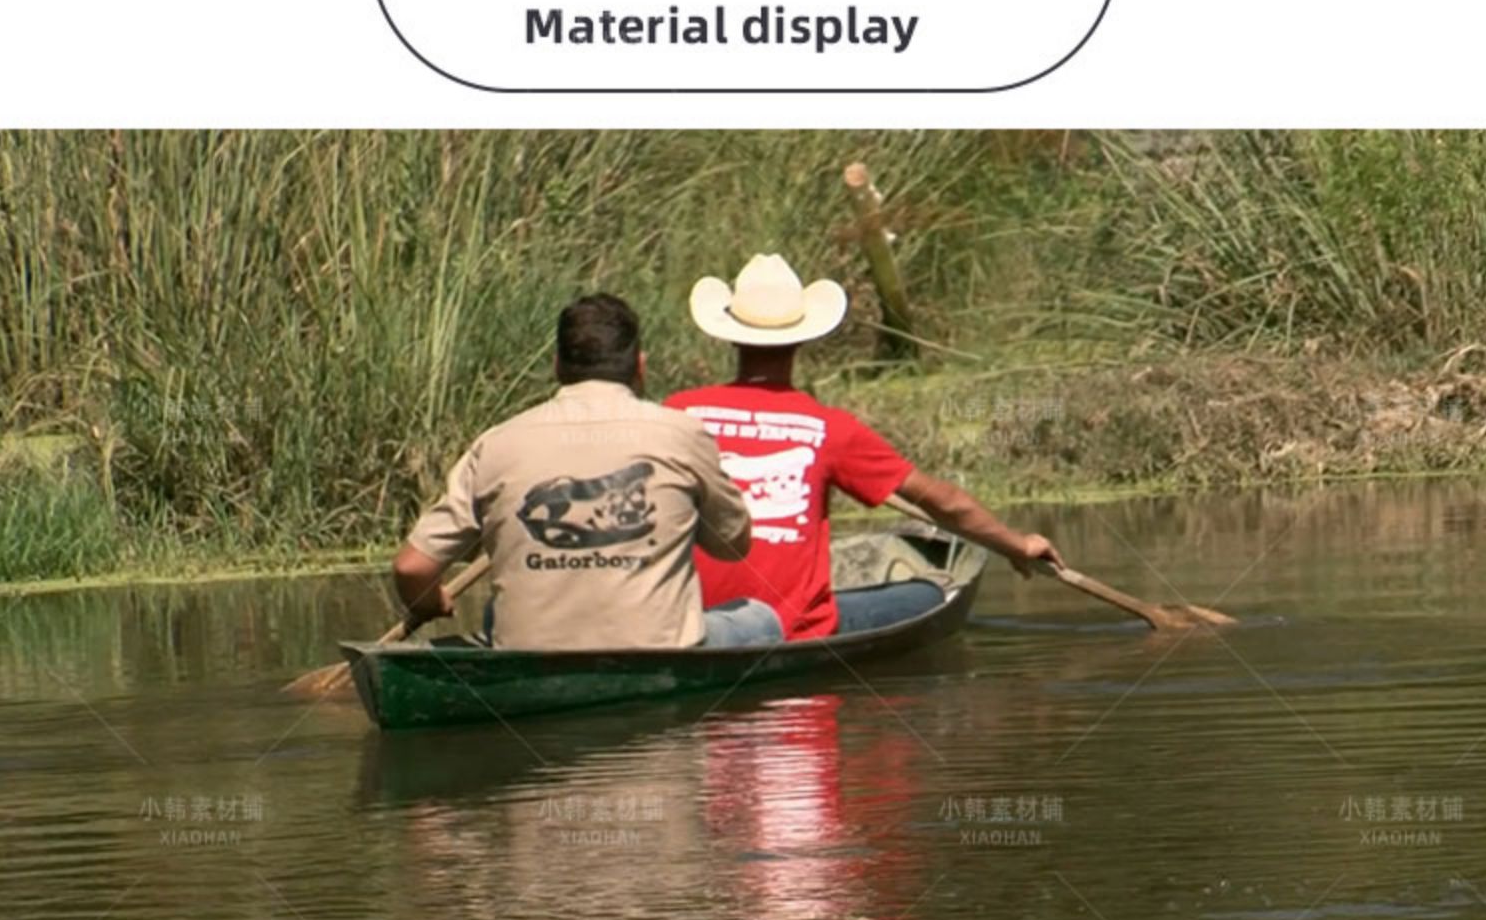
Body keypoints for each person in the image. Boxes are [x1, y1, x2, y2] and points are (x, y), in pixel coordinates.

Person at [665, 253, 1063, 640]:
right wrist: (1019, 545)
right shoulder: (829, 429)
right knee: (928, 593)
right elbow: (944, 502)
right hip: (793, 632)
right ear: (801, 340)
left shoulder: (677, 412)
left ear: (731, 338)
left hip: (694, 623)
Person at [392, 292, 773, 650]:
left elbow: (412, 568)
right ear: (640, 366)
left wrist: (427, 605)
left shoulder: (496, 442)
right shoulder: (682, 433)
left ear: (557, 366)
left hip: (530, 656)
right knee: (762, 619)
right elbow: (732, 546)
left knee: (496, 614)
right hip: (660, 652)